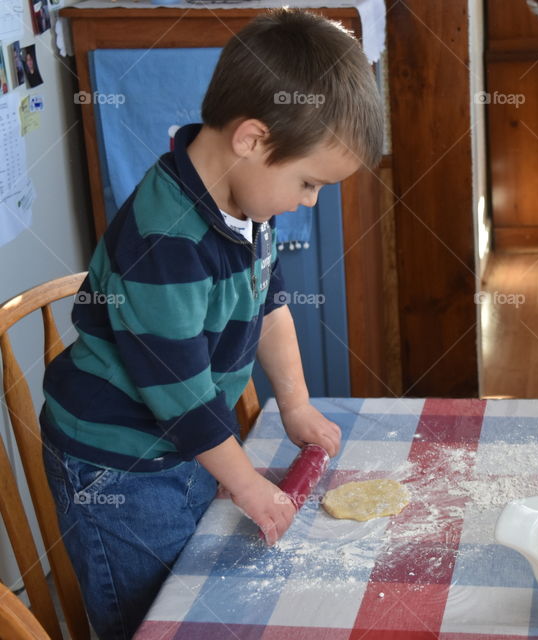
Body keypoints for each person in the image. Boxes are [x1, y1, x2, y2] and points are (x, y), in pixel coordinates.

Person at [40, 10, 383, 639]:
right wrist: (249, 484)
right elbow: (179, 393)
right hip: (120, 465)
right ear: (251, 139)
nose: (310, 201)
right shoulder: (166, 240)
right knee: (156, 616)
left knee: (199, 586)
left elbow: (269, 303)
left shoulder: (243, 199)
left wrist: (297, 405)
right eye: (308, 183)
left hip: (190, 437)